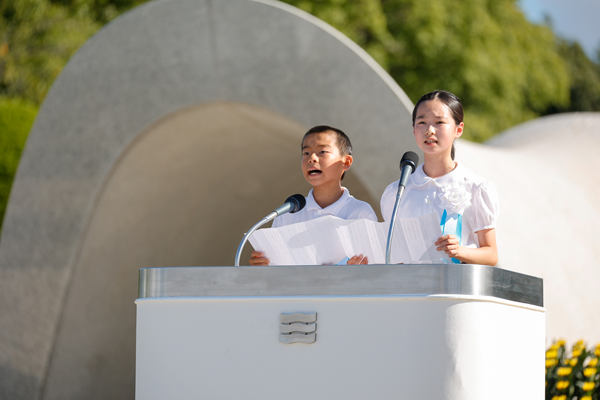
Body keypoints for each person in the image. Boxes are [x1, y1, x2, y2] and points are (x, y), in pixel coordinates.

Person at [380, 90, 499, 266]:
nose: (429, 130)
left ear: (458, 129)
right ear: (413, 130)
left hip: (454, 289)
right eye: (422, 122)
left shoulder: (476, 188)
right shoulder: (396, 192)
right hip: (408, 290)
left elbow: (491, 255)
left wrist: (460, 251)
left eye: (439, 122)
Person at [250, 125, 378, 266]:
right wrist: (262, 265)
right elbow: (274, 269)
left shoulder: (360, 213)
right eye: (306, 153)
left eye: (322, 151)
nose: (312, 158)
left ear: (346, 162)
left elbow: (375, 267)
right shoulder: (288, 213)